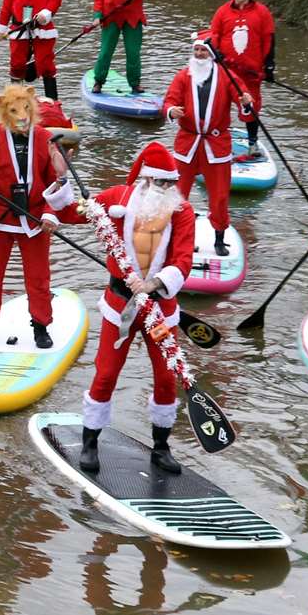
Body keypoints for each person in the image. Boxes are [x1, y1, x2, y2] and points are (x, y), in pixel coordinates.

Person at [68, 142, 196, 474]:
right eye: (162, 183)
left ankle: (161, 447)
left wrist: (153, 284)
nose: (168, 189)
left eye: (172, 183)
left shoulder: (183, 212)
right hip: (120, 304)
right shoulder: (117, 198)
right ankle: (90, 442)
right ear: (147, 179)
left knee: (166, 379)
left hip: (158, 308)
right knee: (107, 372)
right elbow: (76, 212)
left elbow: (183, 261)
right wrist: (56, 194)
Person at [0, 83, 77, 348]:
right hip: (0, 217)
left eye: (26, 109)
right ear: (4, 110)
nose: (22, 116)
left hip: (35, 219)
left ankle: (40, 326)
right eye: (15, 111)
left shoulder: (44, 138)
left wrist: (51, 214)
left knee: (38, 278)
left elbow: (55, 183)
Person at [165, 36, 250, 256]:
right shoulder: (184, 75)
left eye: (204, 50)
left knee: (220, 196)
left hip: (216, 143)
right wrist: (171, 111)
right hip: (188, 142)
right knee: (177, 193)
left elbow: (244, 104)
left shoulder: (226, 76)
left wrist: (247, 104)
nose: (199, 54)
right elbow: (169, 100)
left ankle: (219, 238)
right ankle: (174, 236)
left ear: (211, 54)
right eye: (197, 50)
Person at [206, 0, 276, 157]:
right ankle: (215, 140)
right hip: (226, 71)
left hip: (252, 72)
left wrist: (269, 66)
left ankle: (252, 144)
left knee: (251, 108)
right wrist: (216, 53)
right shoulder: (222, 11)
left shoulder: (262, 12)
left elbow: (268, 38)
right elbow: (215, 35)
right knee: (219, 106)